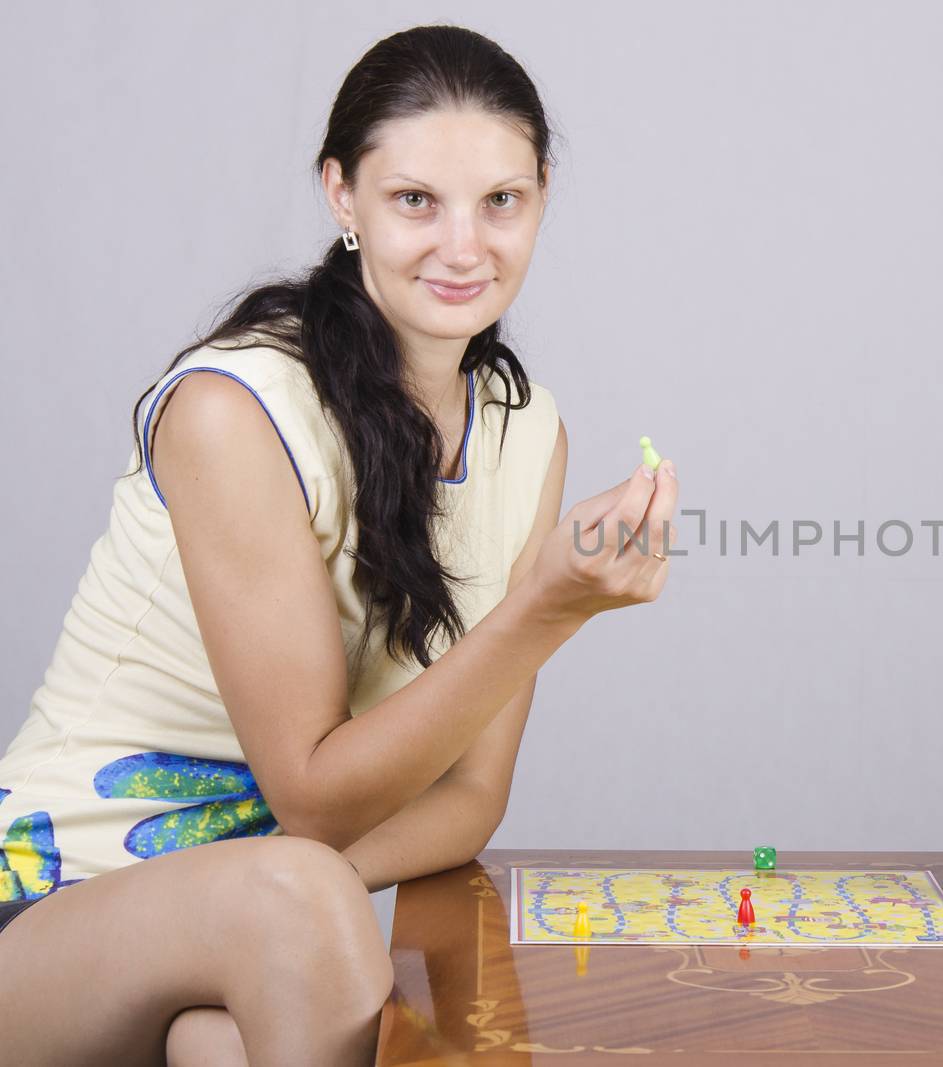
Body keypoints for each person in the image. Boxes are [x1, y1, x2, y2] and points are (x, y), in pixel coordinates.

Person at [0, 25, 677, 1066]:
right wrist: (544, 609)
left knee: (231, 1039)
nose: (464, 246)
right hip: (49, 909)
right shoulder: (235, 409)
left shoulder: (529, 431)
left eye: (502, 201)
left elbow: (469, 800)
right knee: (298, 897)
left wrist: (284, 885)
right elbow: (310, 795)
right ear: (340, 196)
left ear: (542, 197)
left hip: (262, 920)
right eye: (416, 200)